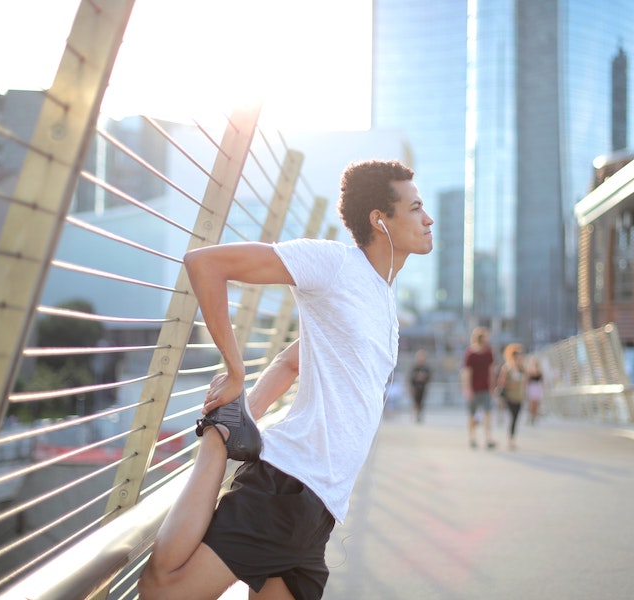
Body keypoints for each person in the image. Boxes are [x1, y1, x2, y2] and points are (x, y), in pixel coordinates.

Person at [138, 159, 433, 600]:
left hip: (321, 507)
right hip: (288, 486)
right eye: (415, 207)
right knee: (164, 589)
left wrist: (247, 414)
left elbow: (293, 362)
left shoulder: (382, 301)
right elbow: (205, 264)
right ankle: (214, 444)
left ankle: (222, 434)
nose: (428, 219)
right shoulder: (335, 264)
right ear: (380, 221)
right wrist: (235, 376)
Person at [461, 327, 497, 449]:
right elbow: (466, 372)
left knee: (488, 413)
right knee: (472, 414)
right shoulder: (470, 353)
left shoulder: (489, 352)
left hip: (486, 388)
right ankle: (472, 438)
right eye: (486, 336)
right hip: (474, 389)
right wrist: (467, 389)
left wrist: (493, 387)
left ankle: (488, 438)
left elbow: (492, 371)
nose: (488, 339)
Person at [496, 343, 527, 450]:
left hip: (519, 397)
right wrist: (510, 384)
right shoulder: (507, 368)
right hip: (509, 396)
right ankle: (510, 440)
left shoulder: (523, 368)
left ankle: (512, 439)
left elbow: (526, 381)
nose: (520, 358)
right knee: (512, 417)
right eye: (518, 356)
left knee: (515, 418)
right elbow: (501, 383)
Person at [407, 349, 432, 423]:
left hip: (423, 388)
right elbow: (411, 378)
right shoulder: (415, 367)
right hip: (415, 388)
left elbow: (429, 377)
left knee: (421, 403)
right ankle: (414, 416)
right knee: (415, 402)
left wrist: (423, 378)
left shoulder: (426, 368)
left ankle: (419, 416)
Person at [525, 356, 544, 425]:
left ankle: (534, 418)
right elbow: (526, 381)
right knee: (531, 405)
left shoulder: (540, 372)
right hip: (531, 389)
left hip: (537, 389)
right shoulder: (528, 372)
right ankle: (530, 416)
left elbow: (542, 382)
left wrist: (543, 391)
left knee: (536, 405)